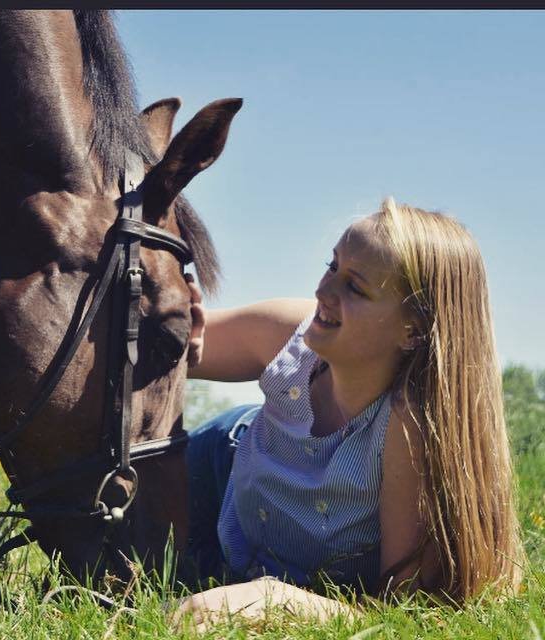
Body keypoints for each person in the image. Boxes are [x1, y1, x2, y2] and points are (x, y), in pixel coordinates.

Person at [178, 197, 523, 623]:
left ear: (413, 330)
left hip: (258, 559)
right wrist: (171, 331)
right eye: (332, 266)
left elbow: (403, 612)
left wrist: (275, 600)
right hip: (221, 464)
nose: (323, 291)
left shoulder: (409, 425)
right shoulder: (291, 334)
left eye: (355, 287)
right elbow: (153, 345)